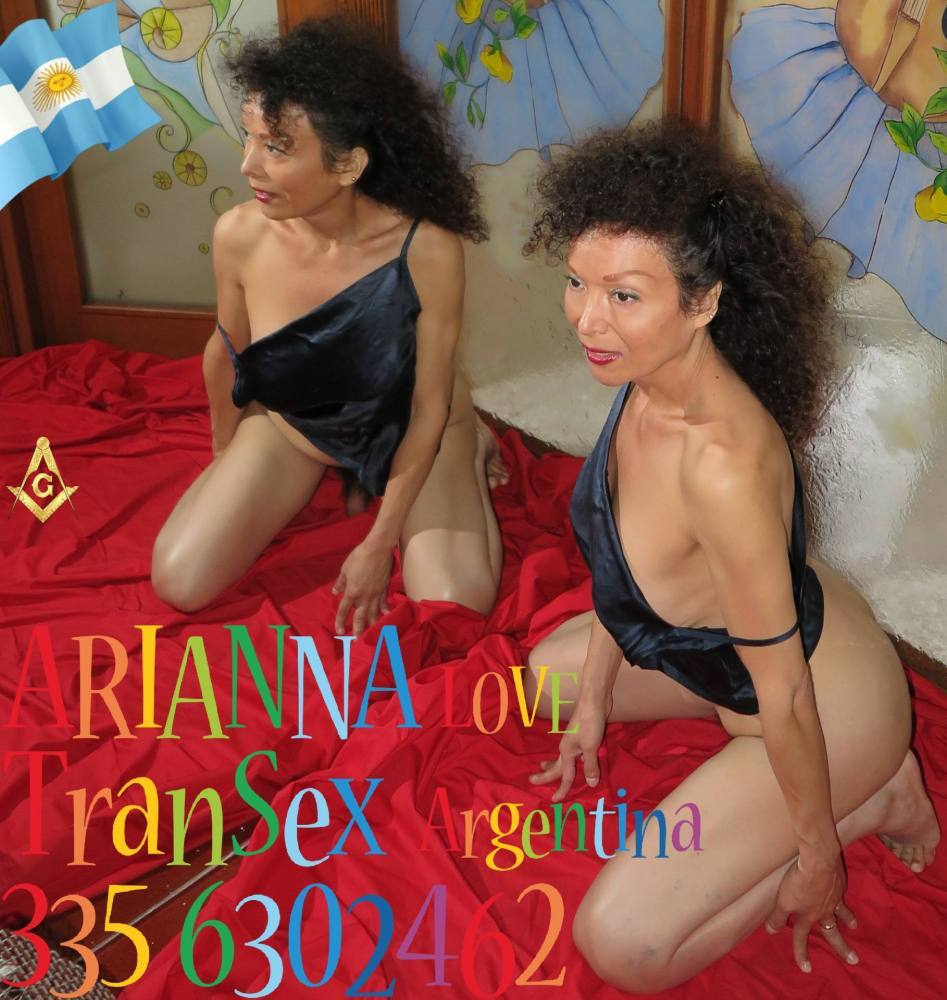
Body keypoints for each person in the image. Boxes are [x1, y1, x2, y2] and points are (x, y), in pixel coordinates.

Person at [522, 122, 940, 993]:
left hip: (820, 704)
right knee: (547, 681)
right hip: (728, 650)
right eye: (576, 282)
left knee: (622, 946)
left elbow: (784, 695)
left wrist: (818, 853)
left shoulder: (722, 465)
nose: (587, 319)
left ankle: (876, 794)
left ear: (702, 301)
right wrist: (593, 700)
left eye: (622, 295)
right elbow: (619, 571)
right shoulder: (644, 377)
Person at [151, 18, 507, 632]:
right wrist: (223, 458)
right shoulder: (240, 235)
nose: (248, 166)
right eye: (249, 139)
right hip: (297, 422)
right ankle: (325, 466)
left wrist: (379, 542)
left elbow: (426, 406)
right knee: (178, 580)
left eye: (276, 148)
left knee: (454, 603)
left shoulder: (426, 250)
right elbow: (225, 353)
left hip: (413, 426)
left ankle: (470, 443)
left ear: (348, 165)